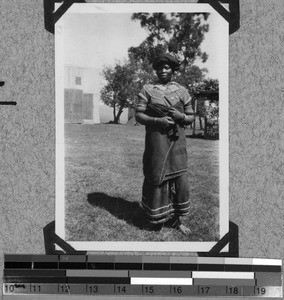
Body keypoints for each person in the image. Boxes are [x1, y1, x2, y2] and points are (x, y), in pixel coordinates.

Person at [135, 53, 195, 235]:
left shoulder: (182, 91)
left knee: (177, 177)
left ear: (173, 70)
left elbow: (191, 117)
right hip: (156, 142)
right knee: (157, 176)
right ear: (156, 69)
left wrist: (181, 117)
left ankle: (176, 221)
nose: (163, 70)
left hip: (177, 143)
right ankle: (155, 219)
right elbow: (138, 115)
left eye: (167, 67)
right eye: (160, 67)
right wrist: (157, 121)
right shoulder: (147, 89)